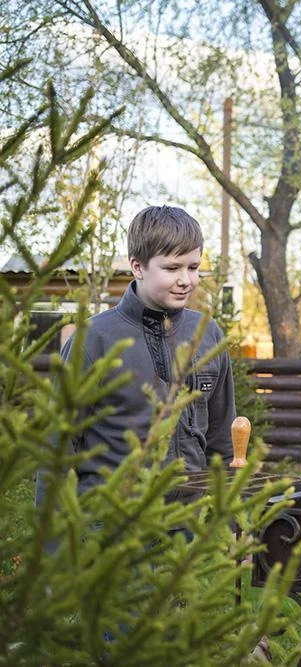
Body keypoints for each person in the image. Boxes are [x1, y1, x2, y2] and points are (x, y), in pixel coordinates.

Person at [37, 205, 235, 501]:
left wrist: (225, 521)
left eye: (193, 267)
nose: (186, 280)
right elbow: (58, 451)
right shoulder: (92, 340)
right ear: (137, 267)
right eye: (172, 268)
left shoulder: (207, 333)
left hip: (191, 526)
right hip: (111, 526)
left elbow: (221, 439)